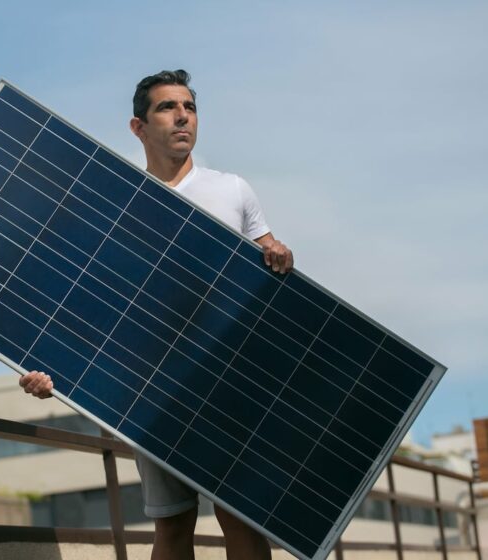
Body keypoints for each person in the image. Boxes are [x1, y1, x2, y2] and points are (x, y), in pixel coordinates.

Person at [20, 70, 293, 560]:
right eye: (167, 107)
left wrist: (277, 251)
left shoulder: (232, 190)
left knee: (242, 518)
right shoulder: (113, 203)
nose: (182, 116)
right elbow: (86, 304)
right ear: (138, 127)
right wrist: (47, 372)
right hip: (152, 385)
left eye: (189, 106)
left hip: (226, 377)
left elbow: (266, 258)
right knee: (172, 523)